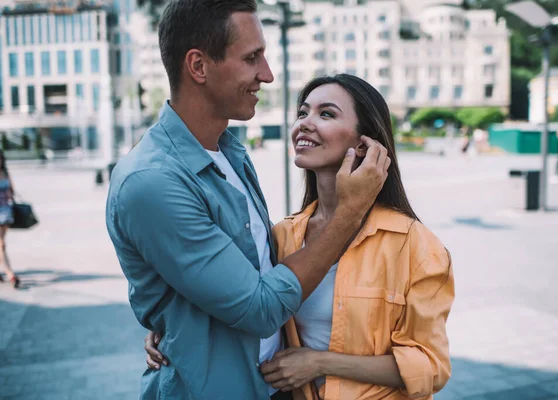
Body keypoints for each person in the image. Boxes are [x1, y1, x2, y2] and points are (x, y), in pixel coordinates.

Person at [105, 1, 390, 399]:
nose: (268, 75)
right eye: (252, 58)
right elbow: (258, 308)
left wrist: (176, 323)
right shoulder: (152, 181)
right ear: (199, 67)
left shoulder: (230, 153)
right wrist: (351, 212)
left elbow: (255, 267)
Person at [145, 75, 455, 400]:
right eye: (303, 112)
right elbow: (242, 301)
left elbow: (430, 366)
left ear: (364, 145)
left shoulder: (415, 245)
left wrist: (320, 363)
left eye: (326, 114)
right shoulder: (282, 237)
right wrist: (170, 329)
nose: (305, 124)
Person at [0, 150, 19, 289]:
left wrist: (9, 193)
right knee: (1, 244)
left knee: (2, 243)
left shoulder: (5, 173)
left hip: (6, 213)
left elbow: (12, 191)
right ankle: (10, 273)